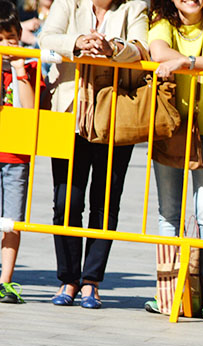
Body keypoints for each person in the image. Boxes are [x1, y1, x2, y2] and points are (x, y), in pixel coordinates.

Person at [39, 0, 147, 309]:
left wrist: (111, 47)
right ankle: (68, 279)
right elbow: (47, 37)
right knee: (66, 200)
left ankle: (91, 282)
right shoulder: (67, 4)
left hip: (114, 116)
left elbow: (141, 48)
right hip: (68, 112)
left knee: (106, 202)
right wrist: (77, 42)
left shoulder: (133, 8)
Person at [146, 0, 203, 320]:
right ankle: (168, 291)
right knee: (168, 213)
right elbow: (158, 53)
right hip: (170, 127)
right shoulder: (163, 21)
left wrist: (189, 63)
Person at [0, 0, 39, 303]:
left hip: (15, 156)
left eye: (10, 38)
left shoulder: (29, 66)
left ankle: (6, 280)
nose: (5, 45)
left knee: (12, 219)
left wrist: (17, 69)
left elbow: (29, 108)